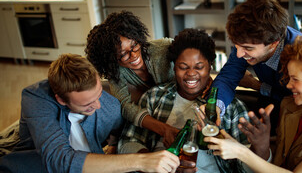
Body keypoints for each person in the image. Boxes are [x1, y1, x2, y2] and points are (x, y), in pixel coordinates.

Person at [0, 54, 179, 173]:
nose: (98, 106)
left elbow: (120, 131)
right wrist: (141, 161)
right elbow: (58, 159)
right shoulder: (36, 98)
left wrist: (114, 146)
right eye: (87, 104)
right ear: (61, 100)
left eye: (99, 94)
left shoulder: (110, 106)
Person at [117, 28, 264, 173]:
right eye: (183, 67)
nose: (191, 74)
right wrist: (153, 163)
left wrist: (260, 148)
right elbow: (127, 142)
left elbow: (247, 169)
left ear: (210, 67)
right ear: (174, 67)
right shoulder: (154, 97)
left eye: (199, 67)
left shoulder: (232, 108)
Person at [205, 37, 302, 172]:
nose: (288, 85)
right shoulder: (290, 106)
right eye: (289, 78)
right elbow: (280, 161)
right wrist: (262, 145)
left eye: (296, 79)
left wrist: (241, 152)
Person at [85, 11, 178, 147]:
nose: (134, 55)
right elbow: (124, 106)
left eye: (134, 45)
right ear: (111, 59)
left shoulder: (164, 48)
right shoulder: (116, 71)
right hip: (156, 111)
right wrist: (163, 129)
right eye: (123, 54)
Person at [212, 0, 302, 129]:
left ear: (273, 44)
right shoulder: (245, 41)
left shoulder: (301, 55)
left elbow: (296, 101)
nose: (239, 54)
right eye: (236, 45)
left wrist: (258, 86)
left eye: (248, 48)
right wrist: (215, 107)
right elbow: (227, 77)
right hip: (269, 100)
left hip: (296, 112)